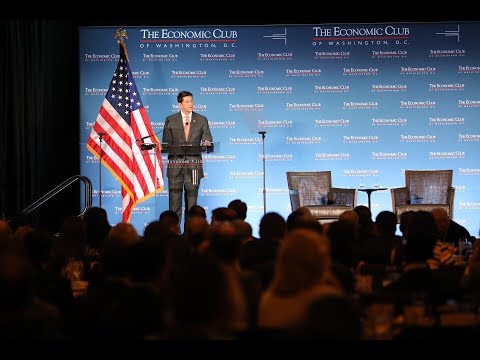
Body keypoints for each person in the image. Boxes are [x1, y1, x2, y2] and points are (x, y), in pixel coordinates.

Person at [162, 91, 213, 227]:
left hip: (194, 166)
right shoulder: (170, 119)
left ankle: (191, 234)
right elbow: (166, 143)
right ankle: (174, 234)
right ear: (180, 104)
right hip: (175, 166)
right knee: (174, 203)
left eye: (192, 100)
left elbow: (208, 139)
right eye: (187, 101)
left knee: (192, 203)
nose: (191, 103)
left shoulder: (202, 119)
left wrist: (207, 143)